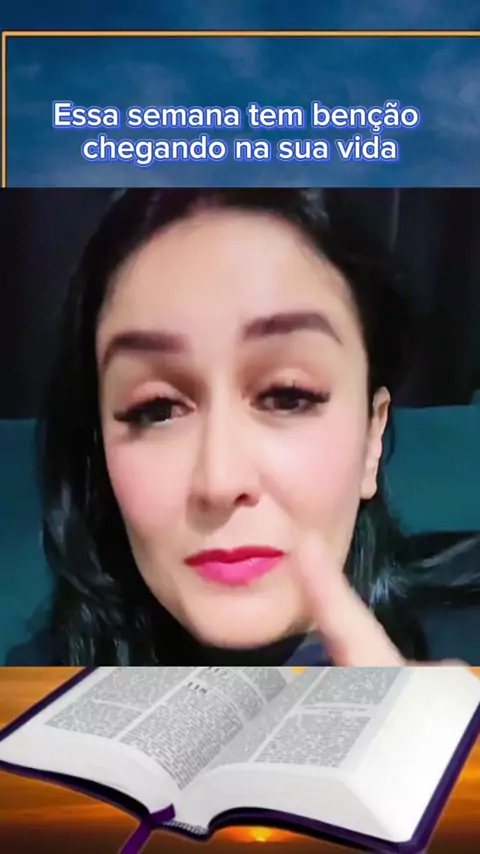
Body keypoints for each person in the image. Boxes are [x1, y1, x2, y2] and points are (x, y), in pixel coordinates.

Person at [7, 188, 480, 666]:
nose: (220, 481)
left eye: (288, 396)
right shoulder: (32, 686)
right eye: (157, 408)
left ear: (372, 439)